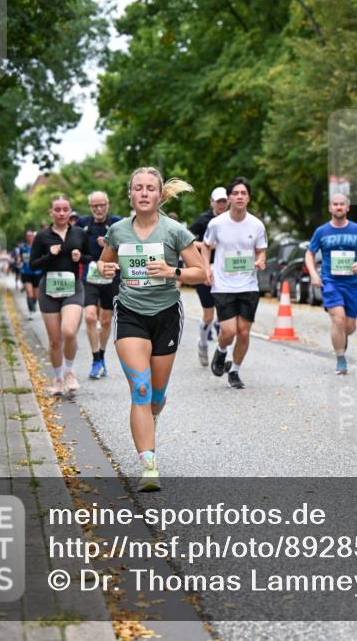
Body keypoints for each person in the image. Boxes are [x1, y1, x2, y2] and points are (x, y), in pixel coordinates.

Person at [97, 167, 206, 491]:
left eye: (150, 189)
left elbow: (200, 273)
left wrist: (172, 271)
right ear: (130, 194)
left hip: (166, 315)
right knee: (140, 389)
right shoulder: (117, 231)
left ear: (160, 195)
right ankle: (149, 464)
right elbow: (104, 265)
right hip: (130, 312)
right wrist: (104, 268)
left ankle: (152, 416)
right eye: (138, 188)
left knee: (156, 396)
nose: (144, 193)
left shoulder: (175, 231)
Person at [203, 177, 267, 390]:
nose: (239, 196)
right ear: (229, 198)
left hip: (249, 285)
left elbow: (261, 251)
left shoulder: (257, 225)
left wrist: (260, 260)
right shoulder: (217, 223)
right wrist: (206, 269)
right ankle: (221, 352)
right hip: (223, 285)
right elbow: (206, 246)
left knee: (244, 332)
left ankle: (235, 370)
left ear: (248, 198)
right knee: (228, 331)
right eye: (236, 193)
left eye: (244, 193)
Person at [29, 196, 92, 396]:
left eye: (65, 209)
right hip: (49, 290)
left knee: (69, 332)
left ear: (70, 211)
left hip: (73, 288)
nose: (62, 213)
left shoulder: (80, 234)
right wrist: (50, 255)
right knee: (55, 340)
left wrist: (80, 257)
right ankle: (57, 378)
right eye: (57, 209)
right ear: (51, 212)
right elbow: (32, 264)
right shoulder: (42, 237)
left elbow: (92, 257)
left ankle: (69, 371)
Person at [305, 194, 357, 375]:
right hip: (330, 281)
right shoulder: (322, 231)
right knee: (338, 319)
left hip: (351, 284)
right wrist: (314, 274)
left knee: (349, 326)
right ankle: (341, 359)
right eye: (335, 204)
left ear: (347, 207)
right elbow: (309, 253)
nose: (339, 207)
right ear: (330, 208)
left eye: (342, 204)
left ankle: (342, 337)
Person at [76, 191, 122, 380]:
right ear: (90, 207)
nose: (98, 209)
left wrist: (110, 244)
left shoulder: (117, 223)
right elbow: (77, 248)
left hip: (111, 276)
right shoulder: (83, 224)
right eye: (94, 205)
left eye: (101, 204)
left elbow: (126, 248)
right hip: (91, 277)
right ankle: (95, 359)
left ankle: (101, 356)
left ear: (108, 204)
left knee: (105, 321)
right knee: (89, 317)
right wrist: (82, 257)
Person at [188, 186, 229, 366]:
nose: (221, 205)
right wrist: (206, 246)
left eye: (224, 201)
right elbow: (186, 241)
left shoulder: (232, 220)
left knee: (225, 316)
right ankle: (203, 344)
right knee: (208, 316)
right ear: (212, 202)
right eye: (218, 201)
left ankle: (222, 353)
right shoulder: (203, 220)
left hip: (225, 272)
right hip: (205, 270)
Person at [17, 230, 42, 320]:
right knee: (29, 292)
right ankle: (31, 311)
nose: (30, 237)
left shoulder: (38, 247)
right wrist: (19, 261)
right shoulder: (22, 248)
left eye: (31, 236)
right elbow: (20, 258)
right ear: (26, 237)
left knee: (36, 295)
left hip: (37, 273)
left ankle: (33, 305)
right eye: (28, 236)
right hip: (26, 272)